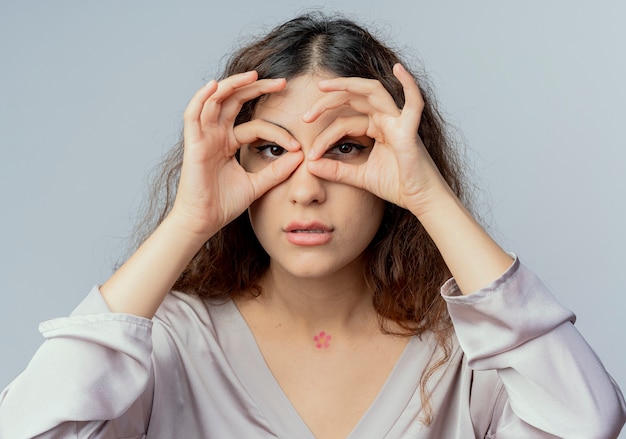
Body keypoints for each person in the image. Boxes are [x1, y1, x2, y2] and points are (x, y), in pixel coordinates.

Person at [1, 12, 624, 439]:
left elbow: (585, 422)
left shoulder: (468, 355)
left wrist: (427, 194)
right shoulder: (168, 341)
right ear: (231, 159)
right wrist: (188, 220)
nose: (305, 188)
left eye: (346, 147)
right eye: (273, 150)